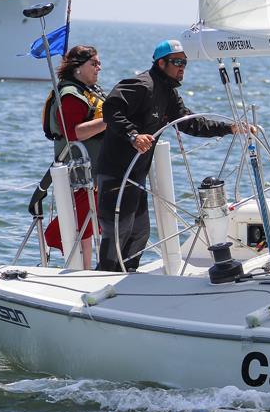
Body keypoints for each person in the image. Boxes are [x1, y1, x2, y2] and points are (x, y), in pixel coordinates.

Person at [95, 39, 243, 272]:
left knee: (139, 232)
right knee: (119, 230)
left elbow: (190, 123)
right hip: (115, 173)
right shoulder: (142, 84)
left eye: (184, 62)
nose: (182, 67)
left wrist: (229, 128)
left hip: (136, 175)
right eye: (177, 62)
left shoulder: (168, 92)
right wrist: (133, 135)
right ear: (161, 62)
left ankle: (127, 276)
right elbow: (111, 109)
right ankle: (102, 278)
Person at [43, 45, 107, 269]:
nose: (99, 67)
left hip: (92, 173)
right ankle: (80, 271)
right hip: (78, 173)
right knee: (81, 225)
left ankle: (86, 270)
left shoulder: (88, 91)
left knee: (87, 227)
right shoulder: (71, 95)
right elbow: (72, 132)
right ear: (78, 68)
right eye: (94, 63)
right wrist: (110, 120)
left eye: (99, 63)